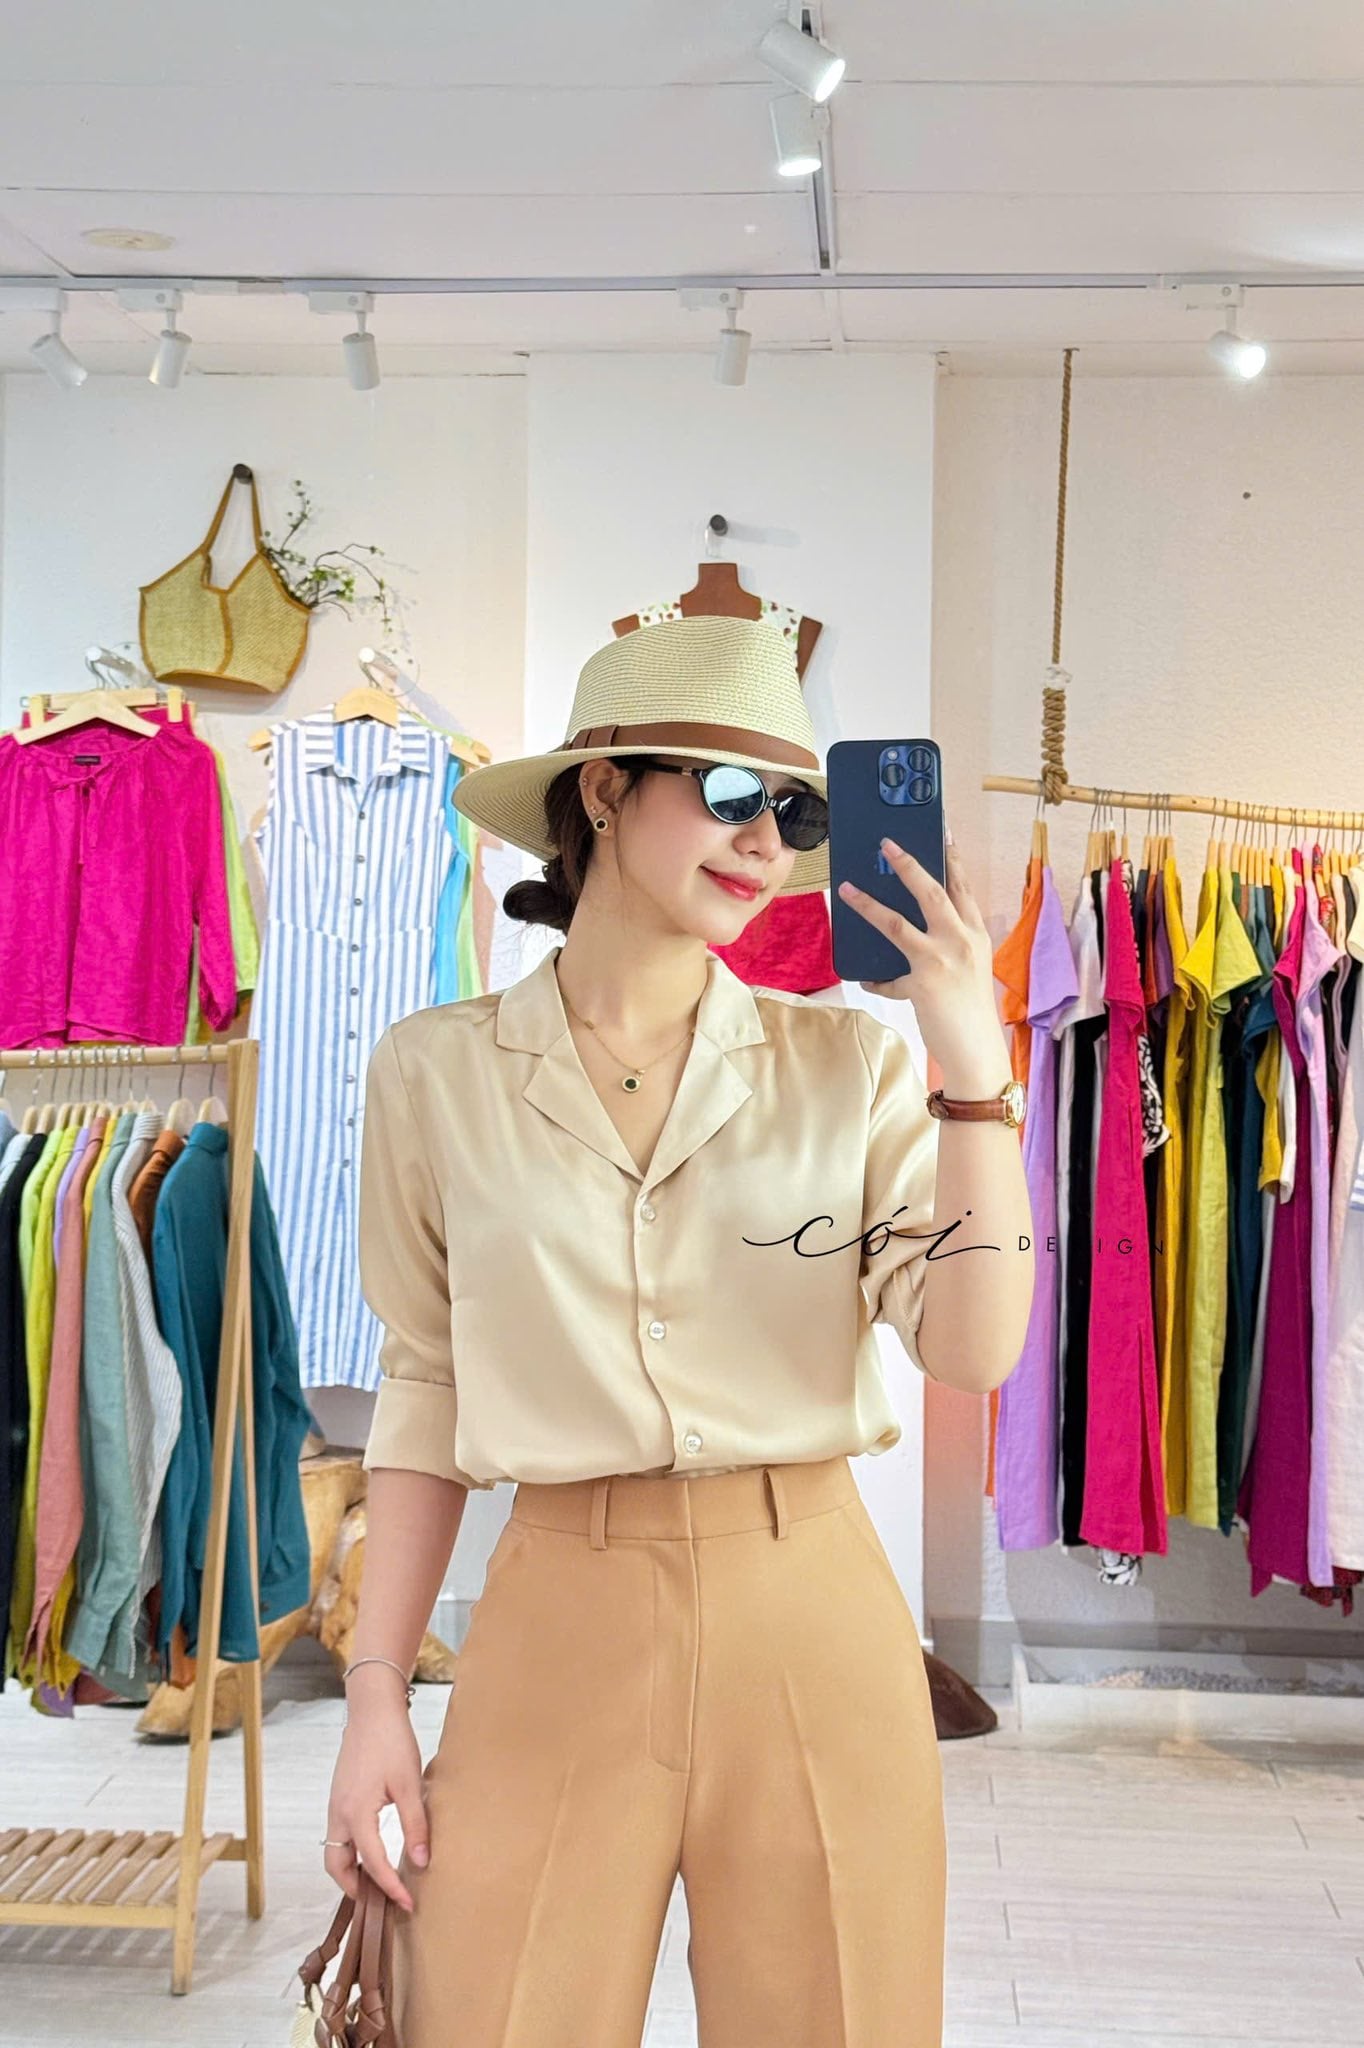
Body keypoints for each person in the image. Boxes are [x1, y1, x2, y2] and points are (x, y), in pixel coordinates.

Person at [322, 614, 1033, 2047]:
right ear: (601, 789)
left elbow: (972, 1349)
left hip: (811, 1614)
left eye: (798, 812)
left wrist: (971, 1062)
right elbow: (426, 1385)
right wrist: (375, 1694)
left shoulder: (849, 1070)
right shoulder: (436, 1076)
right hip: (556, 1619)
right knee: (491, 2018)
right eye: (727, 792)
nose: (766, 839)